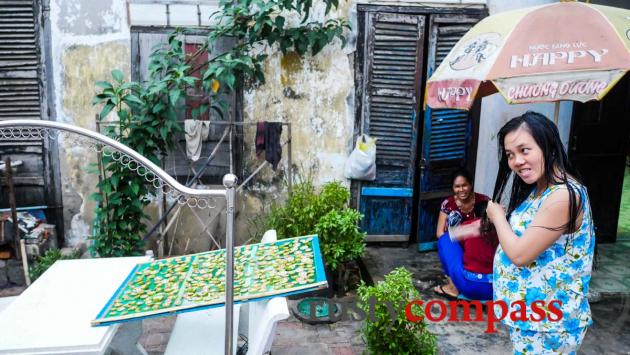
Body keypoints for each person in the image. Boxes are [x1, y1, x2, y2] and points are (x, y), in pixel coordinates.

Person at [485, 111, 595, 354]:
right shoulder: (540, 191)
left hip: (549, 324)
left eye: (525, 150)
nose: (516, 161)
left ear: (547, 145)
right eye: (510, 155)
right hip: (533, 318)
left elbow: (521, 255)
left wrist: (498, 217)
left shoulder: (563, 195)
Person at [433, 168, 497, 301]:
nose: (461, 189)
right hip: (460, 246)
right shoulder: (448, 204)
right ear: (452, 187)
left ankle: (453, 287)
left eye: (464, 185)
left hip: (480, 247)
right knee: (444, 240)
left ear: (471, 184)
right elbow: (440, 233)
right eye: (457, 186)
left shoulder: (484, 201)